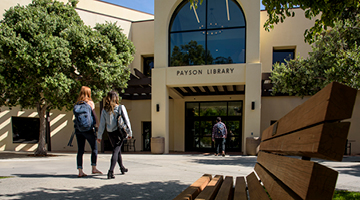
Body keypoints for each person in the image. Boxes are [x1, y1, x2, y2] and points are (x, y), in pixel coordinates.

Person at [97, 91, 133, 179]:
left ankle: (122, 168)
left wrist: (99, 136)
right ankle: (110, 171)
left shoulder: (104, 110)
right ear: (116, 98)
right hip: (119, 132)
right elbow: (126, 120)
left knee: (117, 150)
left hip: (110, 132)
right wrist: (129, 132)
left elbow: (102, 124)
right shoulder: (120, 107)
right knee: (116, 151)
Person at [74, 86, 102, 177]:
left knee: (80, 150)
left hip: (78, 130)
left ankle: (80, 171)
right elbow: (94, 116)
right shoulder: (90, 103)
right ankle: (94, 168)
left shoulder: (77, 104)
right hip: (88, 129)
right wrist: (99, 128)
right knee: (94, 148)